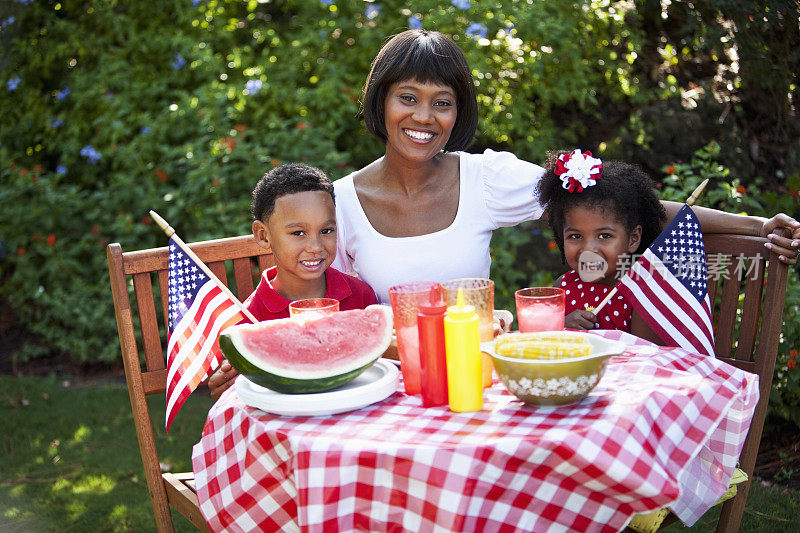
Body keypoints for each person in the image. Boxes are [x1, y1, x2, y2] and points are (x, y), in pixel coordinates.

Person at [211, 29, 800, 398]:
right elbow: (311, 306)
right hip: (392, 395)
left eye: (443, 102)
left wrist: (756, 225)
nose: (425, 116)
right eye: (408, 97)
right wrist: (250, 357)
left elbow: (618, 200)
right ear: (381, 102)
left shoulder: (486, 179)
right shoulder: (335, 204)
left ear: (458, 112)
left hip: (482, 388)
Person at [208, 163, 378, 398]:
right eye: (298, 233)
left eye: (326, 231)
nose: (315, 247)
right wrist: (227, 388)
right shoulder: (246, 322)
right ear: (263, 235)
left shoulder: (361, 296)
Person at [537, 149, 666, 341]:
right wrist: (562, 327)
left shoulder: (639, 293)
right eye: (575, 236)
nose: (588, 249)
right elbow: (543, 342)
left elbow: (646, 354)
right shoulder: (563, 287)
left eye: (604, 235)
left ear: (633, 239)